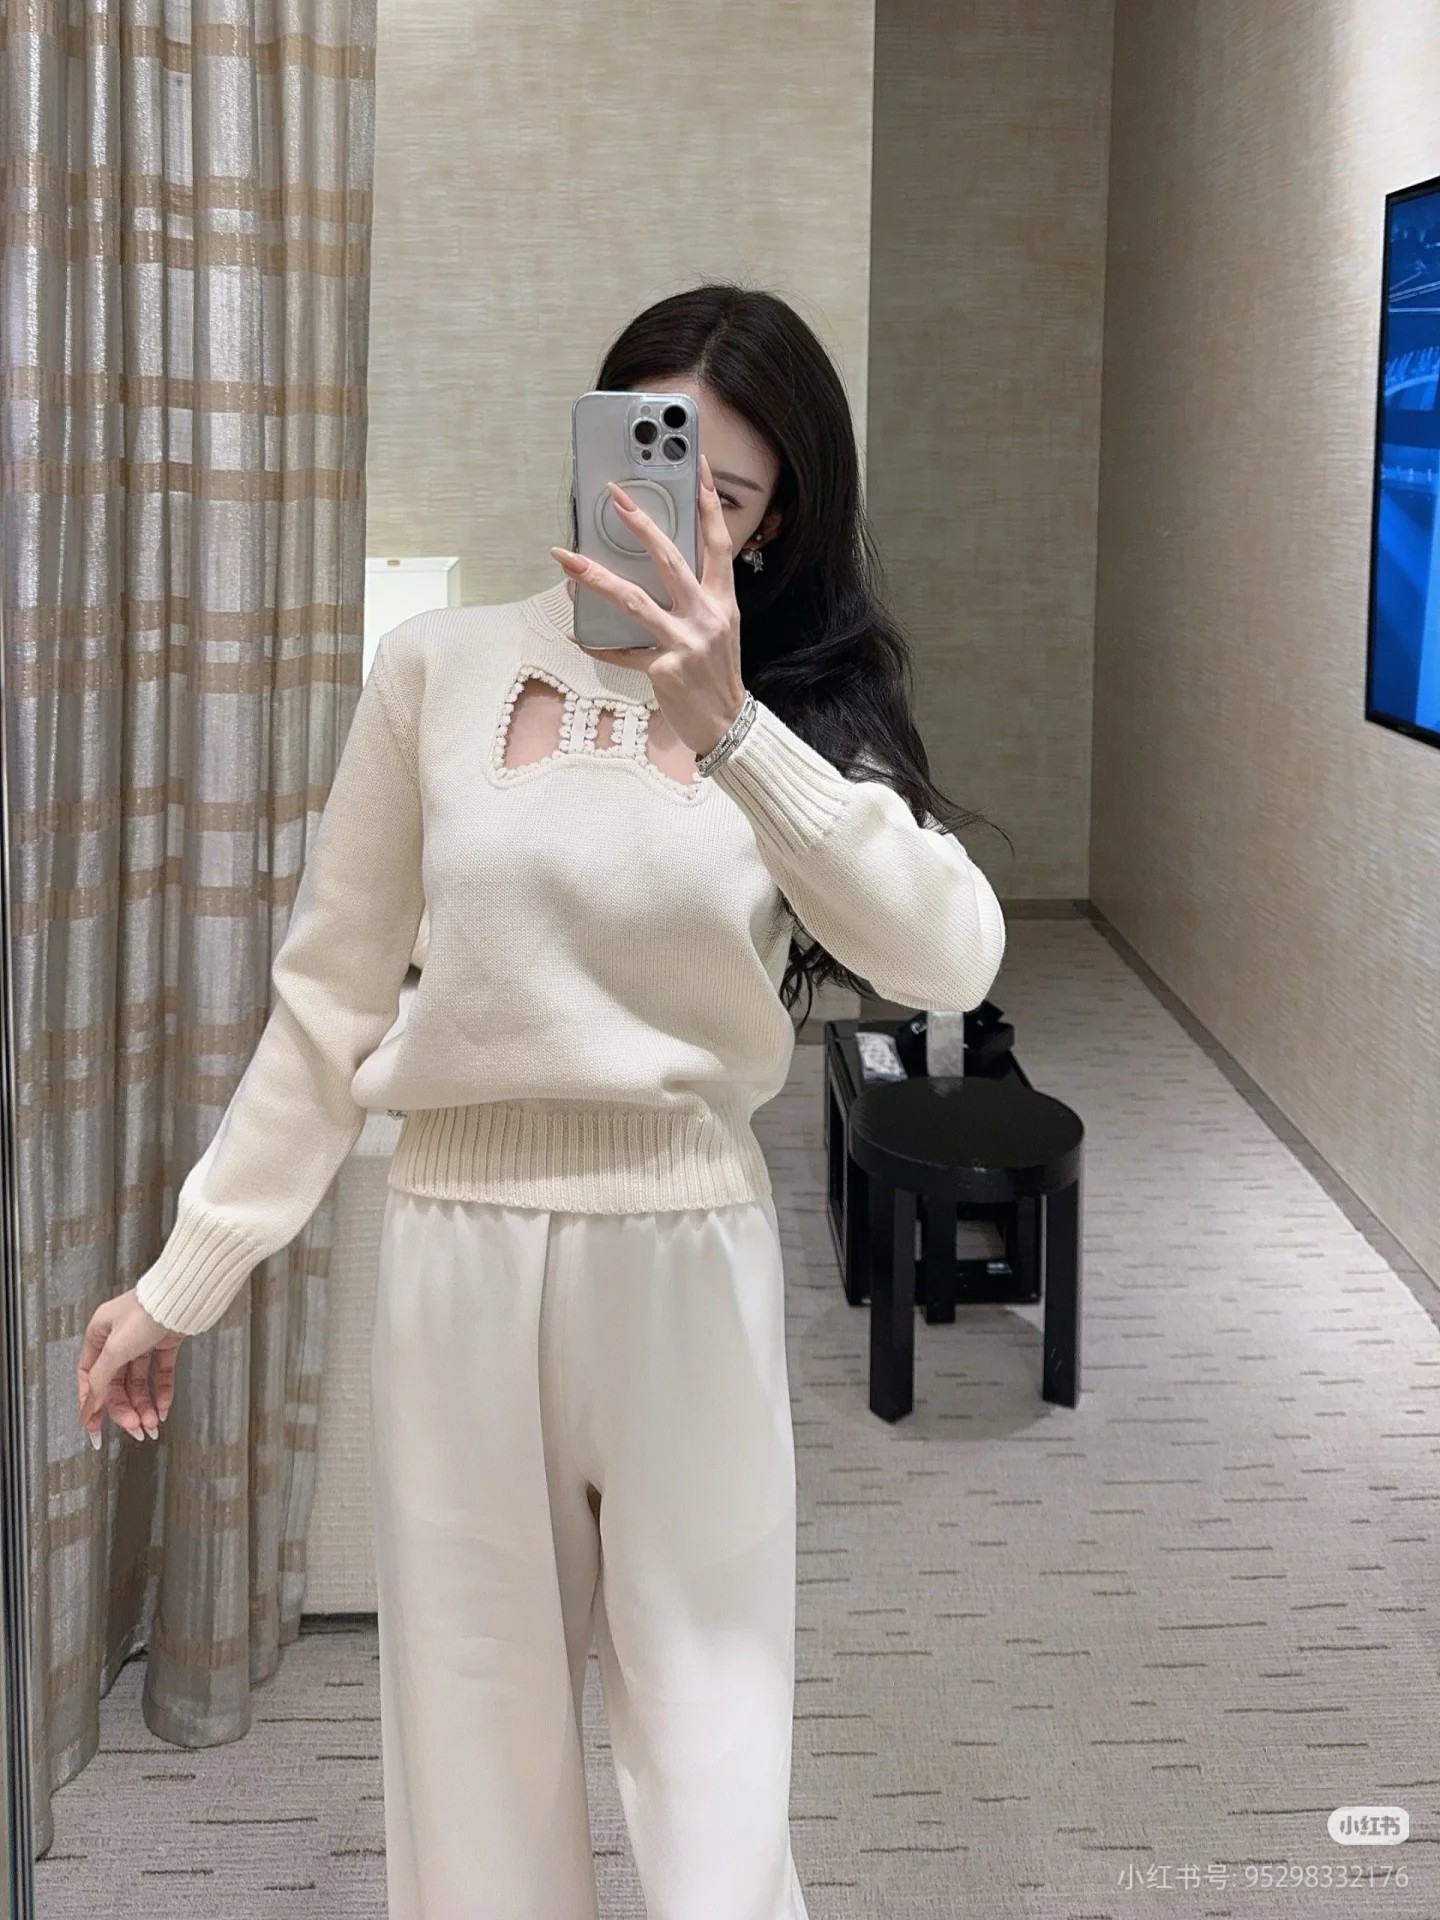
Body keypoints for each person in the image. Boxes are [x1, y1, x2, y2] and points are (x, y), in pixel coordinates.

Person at [76, 283, 1007, 1920]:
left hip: (686, 1258)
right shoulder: (436, 671)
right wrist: (183, 1278)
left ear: (776, 524)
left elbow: (948, 956)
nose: (677, 520)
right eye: (655, 467)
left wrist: (734, 730)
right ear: (592, 448)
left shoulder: (792, 714)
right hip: (456, 1250)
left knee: (715, 1755)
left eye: (725, 497)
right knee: (472, 1741)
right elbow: (330, 999)